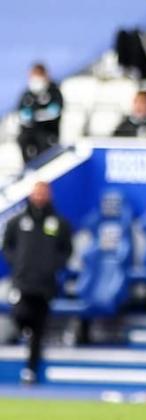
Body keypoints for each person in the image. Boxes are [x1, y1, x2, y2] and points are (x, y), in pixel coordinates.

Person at [2, 182, 72, 384]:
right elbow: (8, 245)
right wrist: (17, 263)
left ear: (49, 195)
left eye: (43, 193)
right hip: (23, 281)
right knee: (20, 315)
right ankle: (24, 333)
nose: (39, 197)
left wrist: (53, 265)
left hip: (45, 284)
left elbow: (66, 249)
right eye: (36, 193)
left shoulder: (58, 223)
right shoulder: (18, 221)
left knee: (38, 330)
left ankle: (31, 371)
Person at [16, 64, 63, 164]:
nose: (35, 80)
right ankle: (28, 166)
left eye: (38, 76)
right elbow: (21, 111)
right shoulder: (27, 94)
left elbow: (55, 111)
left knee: (43, 141)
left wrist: (38, 115)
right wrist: (26, 116)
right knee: (22, 138)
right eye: (33, 76)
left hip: (47, 130)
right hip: (30, 131)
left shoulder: (53, 91)